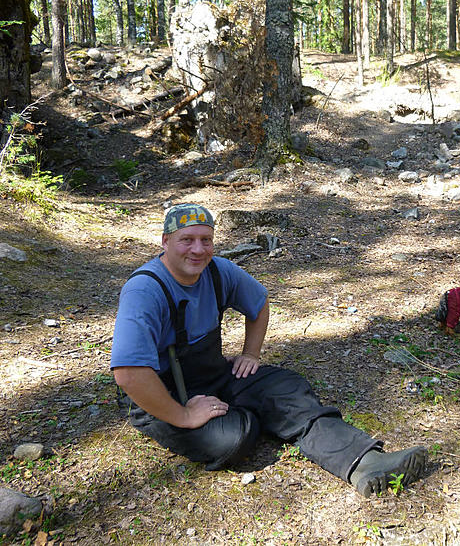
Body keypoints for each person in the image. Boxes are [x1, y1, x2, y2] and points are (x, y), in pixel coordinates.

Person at [110, 203, 428, 497]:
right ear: (165, 241)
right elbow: (129, 375)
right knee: (235, 438)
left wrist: (250, 354)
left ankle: (365, 463)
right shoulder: (145, 290)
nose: (198, 249)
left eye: (206, 240)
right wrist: (183, 415)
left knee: (286, 388)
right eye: (187, 239)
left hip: (213, 376)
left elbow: (259, 304)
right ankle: (251, 418)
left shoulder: (217, 271)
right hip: (163, 395)